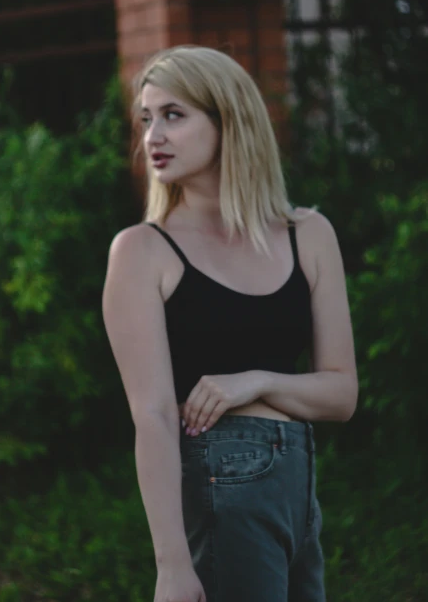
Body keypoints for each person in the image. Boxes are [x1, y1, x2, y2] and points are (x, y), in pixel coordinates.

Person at [102, 45, 358, 602]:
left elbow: (342, 394)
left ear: (228, 120)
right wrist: (170, 564)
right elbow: (152, 416)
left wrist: (258, 380)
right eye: (146, 119)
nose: (153, 137)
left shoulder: (308, 234)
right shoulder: (144, 251)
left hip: (299, 496)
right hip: (219, 493)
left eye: (174, 115)